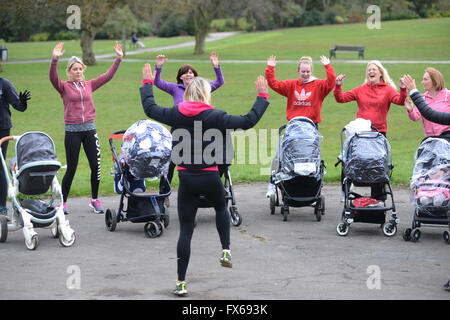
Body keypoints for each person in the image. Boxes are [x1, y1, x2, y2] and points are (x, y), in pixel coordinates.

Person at [140, 63, 269, 296]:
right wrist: (262, 96)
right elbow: (247, 121)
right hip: (210, 176)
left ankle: (181, 283)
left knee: (186, 230)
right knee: (221, 207)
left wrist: (148, 83)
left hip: (186, 177)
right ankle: (226, 250)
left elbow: (150, 108)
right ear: (206, 94)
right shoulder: (216, 115)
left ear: (187, 93)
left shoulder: (175, 113)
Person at [49, 41, 123, 214]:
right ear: (69, 71)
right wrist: (54, 60)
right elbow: (53, 78)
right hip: (72, 132)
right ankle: (63, 203)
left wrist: (118, 59)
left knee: (95, 166)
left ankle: (95, 200)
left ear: (83, 70)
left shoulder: (89, 85)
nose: (78, 72)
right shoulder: (64, 87)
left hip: (89, 130)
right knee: (72, 168)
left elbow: (107, 76)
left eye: (80, 69)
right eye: (74, 69)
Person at [152, 52, 226, 195]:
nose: (188, 75)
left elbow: (219, 82)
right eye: (185, 73)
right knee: (171, 160)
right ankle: (164, 191)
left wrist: (216, 67)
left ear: (195, 76)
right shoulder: (175, 88)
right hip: (179, 130)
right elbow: (157, 82)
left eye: (191, 73)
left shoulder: (202, 87)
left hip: (201, 129)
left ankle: (211, 187)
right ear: (180, 77)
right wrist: (159, 67)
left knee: (207, 157)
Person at [334, 60, 407, 201]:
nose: (371, 72)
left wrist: (403, 89)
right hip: (360, 134)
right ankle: (345, 190)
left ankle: (378, 196)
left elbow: (400, 100)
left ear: (380, 73)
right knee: (349, 160)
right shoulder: (360, 89)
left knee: (378, 165)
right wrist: (338, 86)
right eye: (369, 70)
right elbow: (340, 98)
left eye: (374, 69)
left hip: (378, 134)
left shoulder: (387, 89)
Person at [264, 55, 336, 197]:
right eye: (303, 71)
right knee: (280, 155)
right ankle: (272, 184)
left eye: (307, 71)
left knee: (312, 158)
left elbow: (331, 82)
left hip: (311, 129)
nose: (305, 74)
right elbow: (274, 84)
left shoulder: (318, 85)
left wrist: (328, 66)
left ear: (311, 71)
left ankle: (313, 187)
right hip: (293, 129)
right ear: (298, 71)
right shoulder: (292, 85)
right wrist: (270, 68)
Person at [0, 65, 30, 216]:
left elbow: (19, 106)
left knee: (0, 165)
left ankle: (2, 206)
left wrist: (23, 102)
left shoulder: (4, 84)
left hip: (2, 129)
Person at [404, 67, 450, 136]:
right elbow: (415, 118)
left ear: (435, 81)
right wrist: (410, 110)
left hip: (447, 138)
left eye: (425, 79)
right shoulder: (423, 98)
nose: (422, 82)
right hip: (430, 139)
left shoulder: (448, 95)